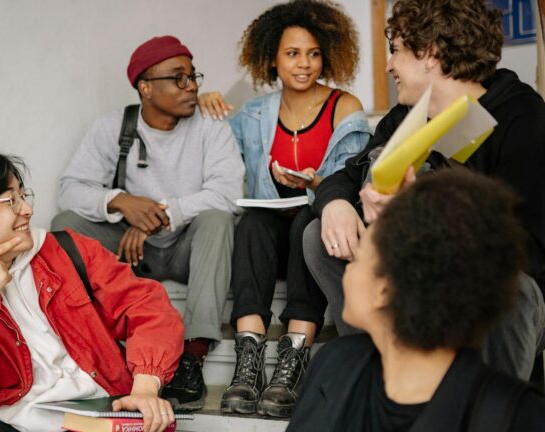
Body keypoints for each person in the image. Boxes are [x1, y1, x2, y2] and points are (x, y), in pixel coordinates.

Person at [304, 0, 545, 380]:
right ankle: (382, 377)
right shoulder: (405, 116)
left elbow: (529, 251)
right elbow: (345, 175)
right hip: (419, 282)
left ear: (430, 54)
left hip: (497, 285)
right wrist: (335, 204)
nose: (388, 65)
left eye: (396, 50)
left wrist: (420, 223)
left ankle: (487, 405)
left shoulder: (521, 115)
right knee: (318, 238)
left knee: (511, 287)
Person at [0, 151, 183, 432]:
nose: (27, 209)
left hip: (97, 413)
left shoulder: (68, 252)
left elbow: (147, 306)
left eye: (23, 195)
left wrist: (145, 388)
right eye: (10, 199)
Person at [51, 35, 244, 410]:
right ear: (146, 87)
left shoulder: (210, 124)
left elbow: (229, 192)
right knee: (66, 224)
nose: (192, 87)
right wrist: (120, 201)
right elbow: (70, 190)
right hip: (132, 253)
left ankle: (192, 355)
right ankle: (91, 341)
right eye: (179, 78)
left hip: (190, 248)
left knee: (219, 219)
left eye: (194, 76)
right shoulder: (114, 126)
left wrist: (161, 214)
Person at [198, 0, 370, 417]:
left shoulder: (344, 108)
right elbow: (219, 158)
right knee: (254, 222)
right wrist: (206, 106)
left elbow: (351, 181)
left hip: (314, 238)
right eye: (292, 53)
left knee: (306, 223)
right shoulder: (254, 113)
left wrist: (315, 185)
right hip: (270, 239)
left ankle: (292, 358)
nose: (304, 64)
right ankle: (249, 360)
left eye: (313, 53)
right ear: (271, 59)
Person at [289, 169, 545, 432]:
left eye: (359, 257)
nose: (347, 268)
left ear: (385, 290)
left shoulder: (513, 416)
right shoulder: (334, 363)